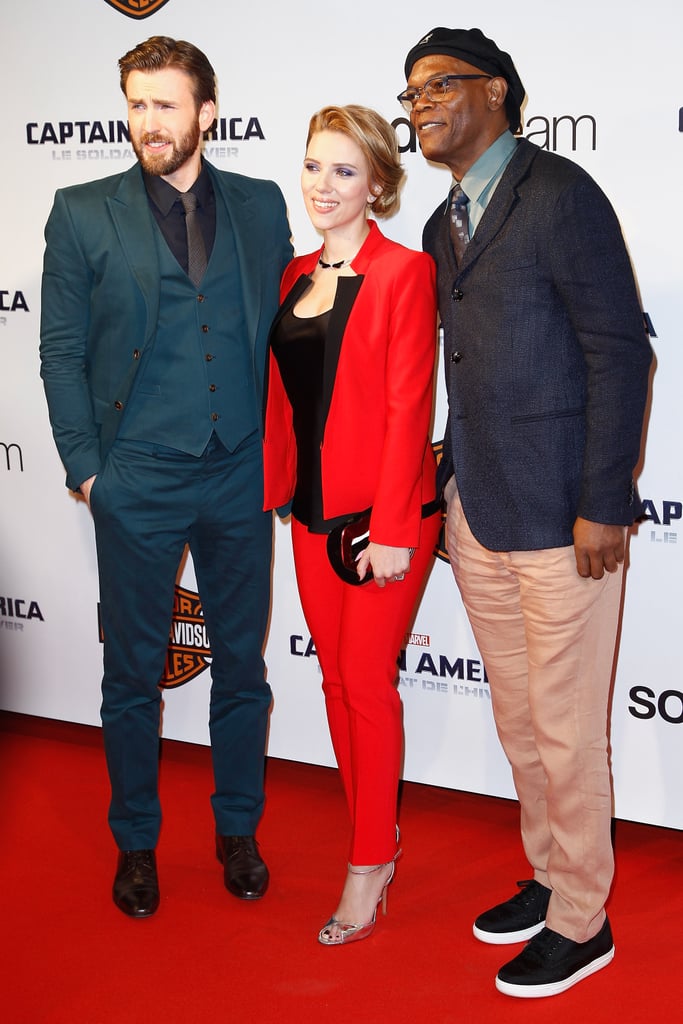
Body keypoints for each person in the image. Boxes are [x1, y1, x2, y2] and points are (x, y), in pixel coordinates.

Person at [400, 27, 651, 996]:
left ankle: (582, 920)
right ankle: (549, 875)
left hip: (564, 520)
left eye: (439, 85)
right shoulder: (439, 224)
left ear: (496, 93)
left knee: (565, 726)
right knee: (519, 722)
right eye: (410, 91)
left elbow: (619, 352)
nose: (420, 103)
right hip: (481, 516)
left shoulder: (559, 196)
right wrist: (447, 487)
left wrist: (602, 500)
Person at [39, 36, 292, 918]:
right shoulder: (81, 210)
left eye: (166, 105)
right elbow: (61, 350)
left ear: (205, 113)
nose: (148, 122)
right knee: (132, 675)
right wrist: (87, 472)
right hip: (136, 477)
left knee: (242, 669)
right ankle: (137, 844)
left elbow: (287, 342)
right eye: (136, 104)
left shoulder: (261, 208)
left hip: (237, 475)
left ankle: (237, 830)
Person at [263, 104, 441, 945]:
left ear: (376, 182)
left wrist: (397, 527)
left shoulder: (403, 271)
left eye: (342, 170)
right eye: (311, 166)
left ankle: (370, 861)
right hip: (308, 515)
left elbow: (411, 406)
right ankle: (372, 832)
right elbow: (286, 401)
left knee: (366, 687)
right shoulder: (293, 271)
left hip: (381, 519)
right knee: (334, 684)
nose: (322, 185)